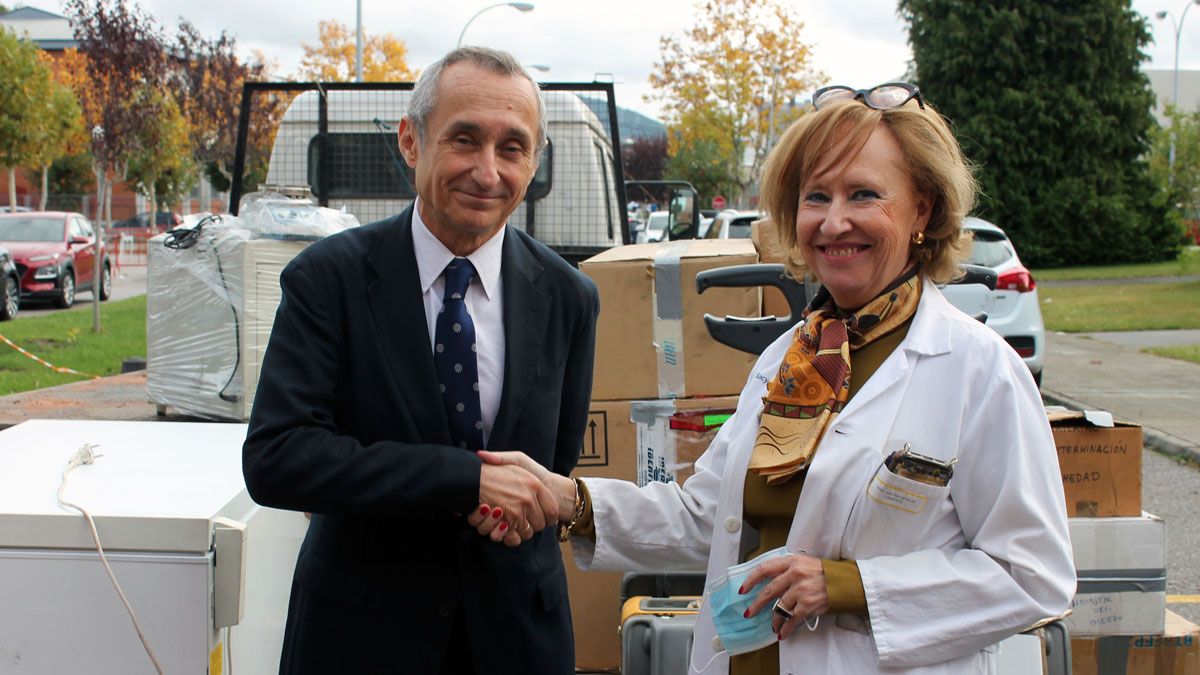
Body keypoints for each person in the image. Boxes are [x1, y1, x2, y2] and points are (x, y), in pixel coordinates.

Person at [473, 82, 1075, 674]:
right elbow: (708, 516)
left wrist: (848, 585)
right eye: (816, 197)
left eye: (863, 194)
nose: (833, 223)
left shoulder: (978, 370)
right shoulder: (796, 358)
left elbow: (1032, 575)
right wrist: (569, 501)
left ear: (922, 208)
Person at [243, 46, 599, 675]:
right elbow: (279, 458)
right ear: (411, 141)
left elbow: (550, 465)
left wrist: (524, 507)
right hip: (360, 640)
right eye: (465, 140)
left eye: (512, 148)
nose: (488, 172)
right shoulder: (328, 281)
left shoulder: (569, 297)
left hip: (517, 637)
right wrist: (466, 480)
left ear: (533, 162)